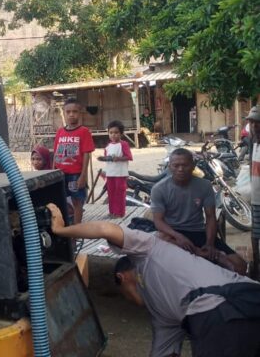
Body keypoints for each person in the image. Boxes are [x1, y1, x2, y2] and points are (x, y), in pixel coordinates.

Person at [45, 203, 260, 357]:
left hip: (222, 311)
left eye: (124, 295)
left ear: (122, 278)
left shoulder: (147, 249)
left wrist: (62, 230)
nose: (130, 300)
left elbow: (105, 229)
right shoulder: (165, 315)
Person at [150, 148, 247, 274]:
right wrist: (178, 236)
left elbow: (211, 217)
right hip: (172, 234)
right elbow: (158, 221)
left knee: (240, 266)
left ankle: (203, 252)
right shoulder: (159, 189)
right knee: (159, 238)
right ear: (169, 166)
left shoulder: (205, 186)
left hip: (198, 232)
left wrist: (210, 243)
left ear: (193, 166)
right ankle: (200, 253)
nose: (180, 169)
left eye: (185, 165)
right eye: (176, 165)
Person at [52, 98, 95, 224]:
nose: (71, 114)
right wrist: (53, 171)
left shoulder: (84, 132)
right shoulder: (60, 132)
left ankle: (77, 230)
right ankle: (64, 227)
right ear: (64, 113)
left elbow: (86, 154)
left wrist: (83, 176)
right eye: (68, 112)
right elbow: (56, 152)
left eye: (75, 111)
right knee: (60, 201)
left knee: (77, 202)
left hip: (75, 174)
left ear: (80, 113)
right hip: (60, 174)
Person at [97, 120, 133, 218]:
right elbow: (107, 159)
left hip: (120, 174)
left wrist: (118, 159)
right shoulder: (108, 146)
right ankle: (112, 212)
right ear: (108, 133)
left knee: (119, 194)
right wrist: (102, 159)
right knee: (111, 193)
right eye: (111, 133)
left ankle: (119, 213)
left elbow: (129, 157)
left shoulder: (123, 144)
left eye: (116, 133)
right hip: (110, 174)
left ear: (121, 133)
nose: (113, 135)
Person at [249, 106, 260, 279]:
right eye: (252, 123)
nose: (255, 127)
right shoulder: (255, 143)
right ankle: (257, 265)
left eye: (258, 123)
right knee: (255, 234)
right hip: (256, 199)